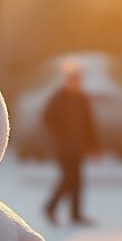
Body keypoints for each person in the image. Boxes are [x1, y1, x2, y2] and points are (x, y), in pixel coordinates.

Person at [42, 60, 100, 226]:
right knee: (68, 179)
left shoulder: (82, 98)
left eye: (78, 79)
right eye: (72, 79)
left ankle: (76, 215)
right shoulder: (58, 97)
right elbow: (47, 119)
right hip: (63, 148)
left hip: (79, 148)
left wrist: (94, 145)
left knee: (78, 181)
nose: (75, 83)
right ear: (67, 80)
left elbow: (90, 123)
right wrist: (60, 134)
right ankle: (50, 207)